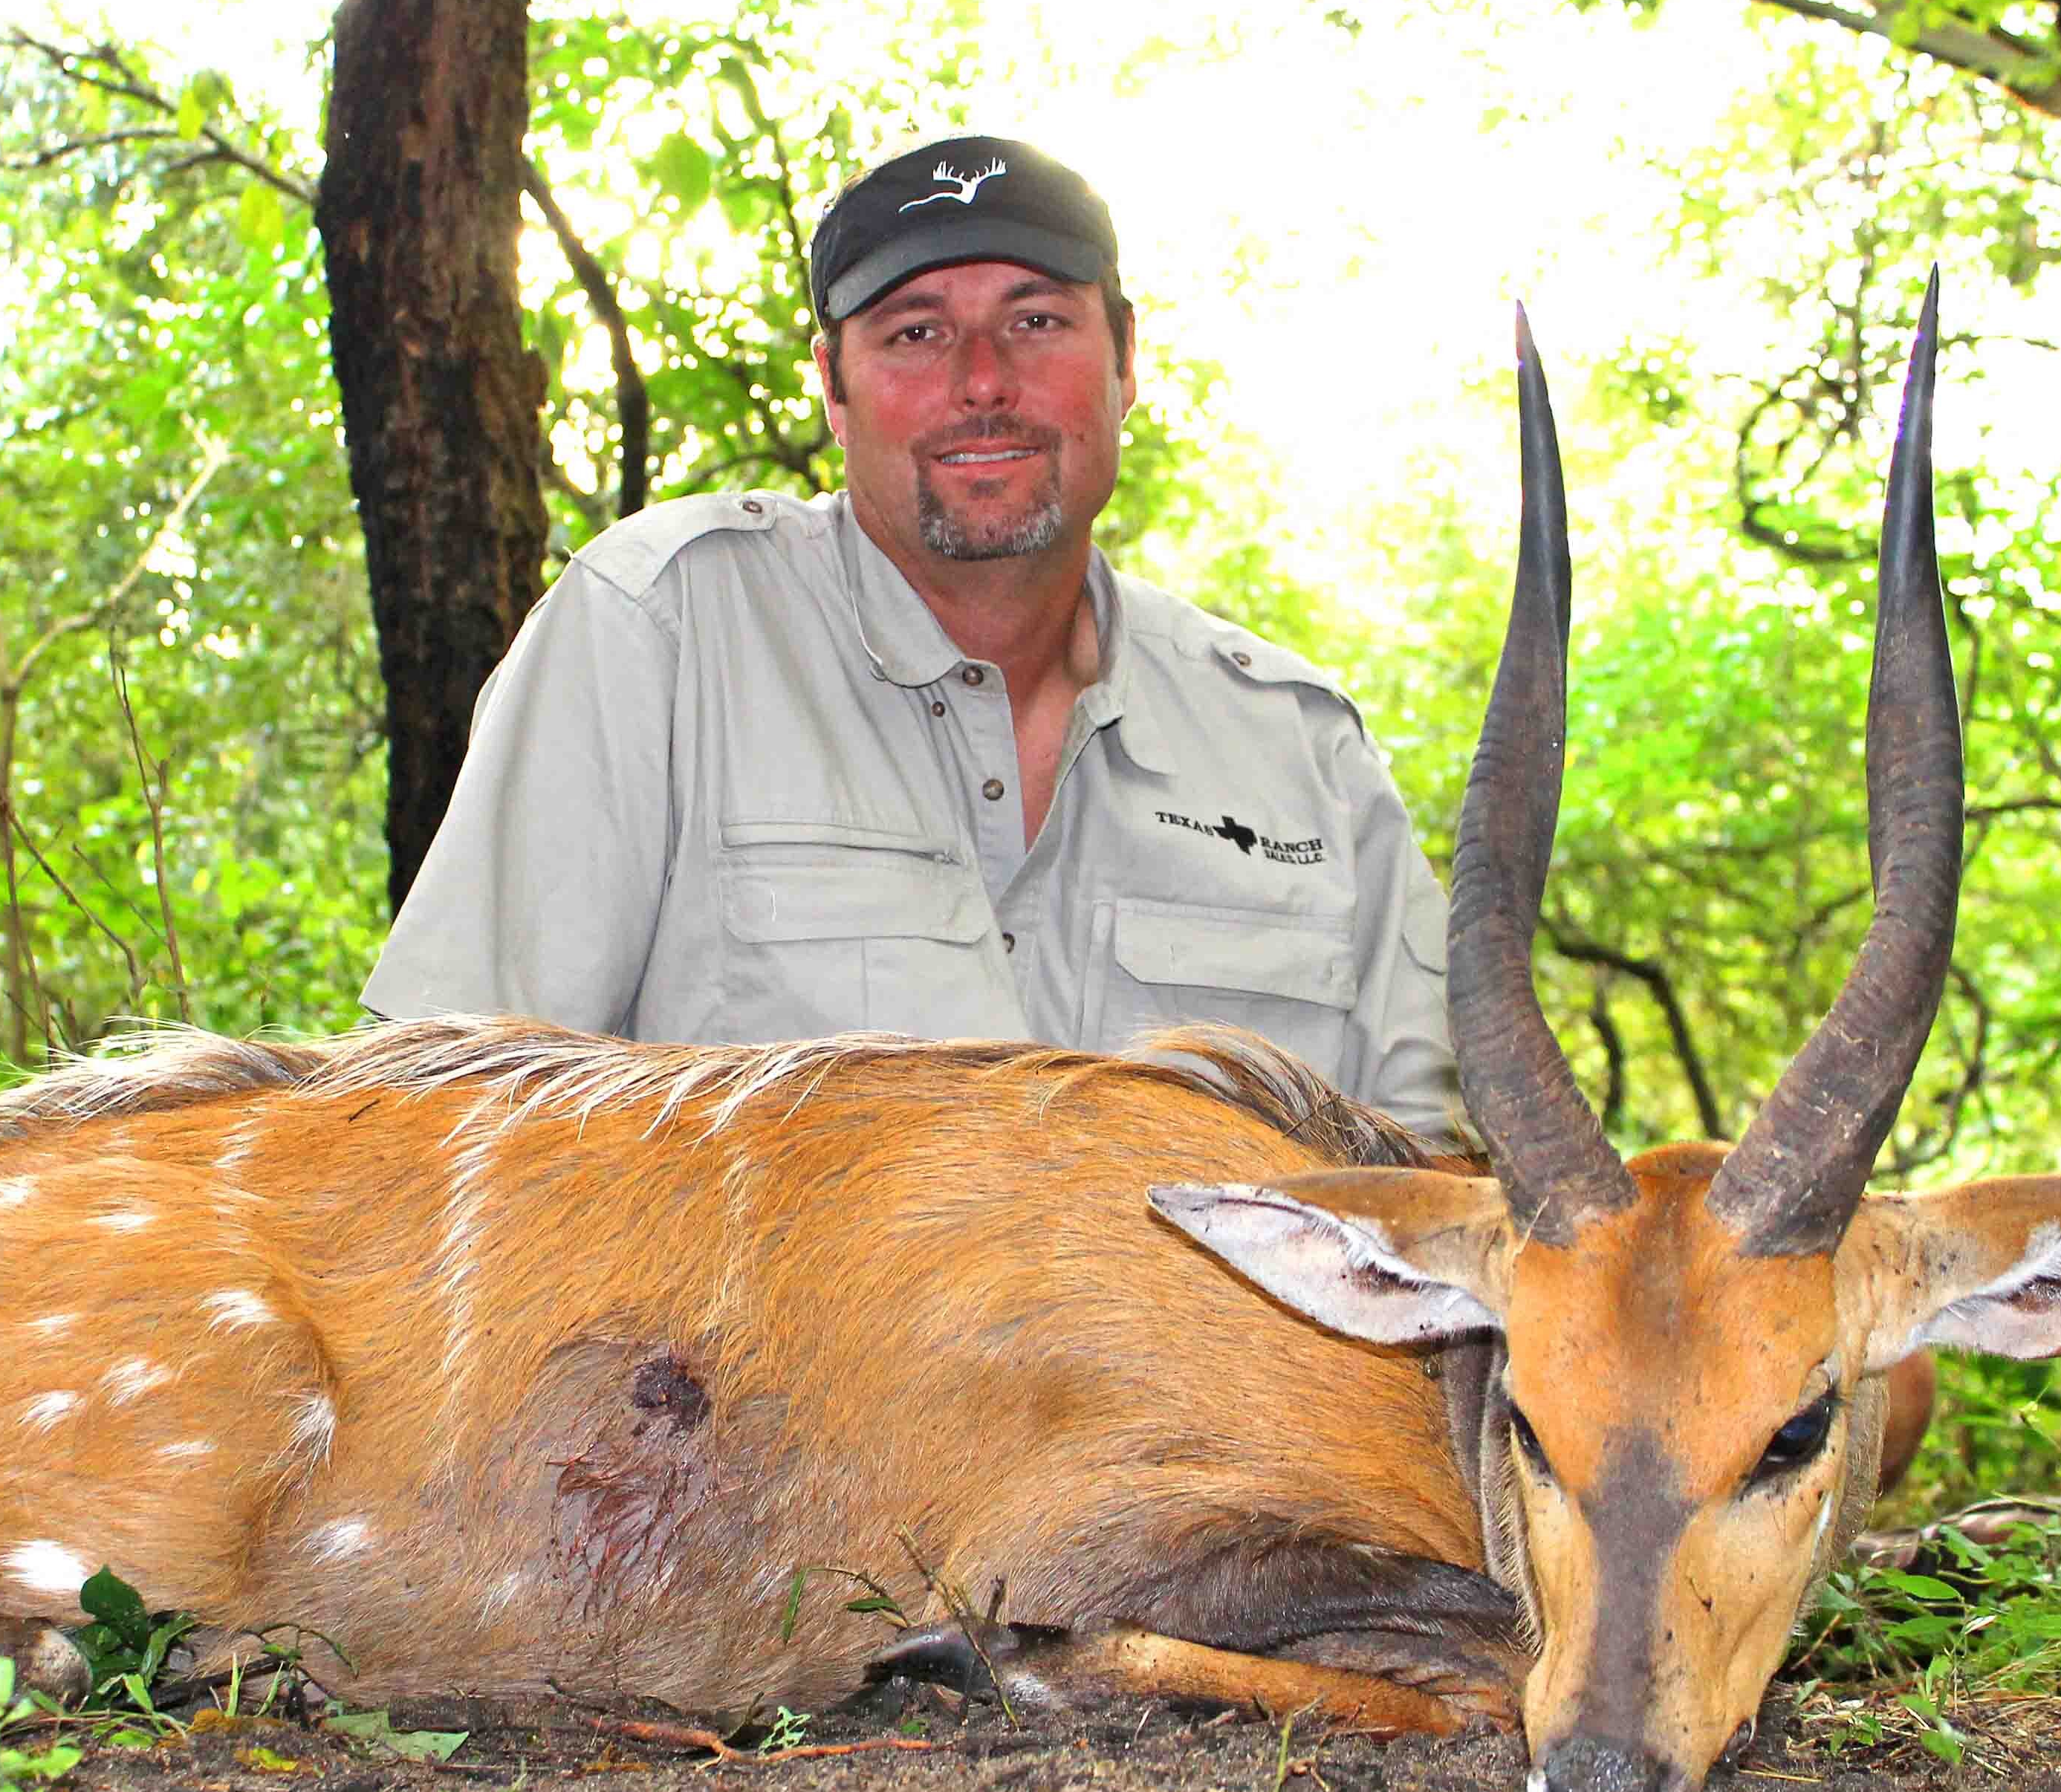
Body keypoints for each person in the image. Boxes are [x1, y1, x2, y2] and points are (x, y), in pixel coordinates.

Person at [362, 134, 1466, 1143]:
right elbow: (442, 1124)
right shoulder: (663, 632)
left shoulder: (1296, 751)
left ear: (1127, 359)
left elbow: (1443, 1199)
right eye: (916, 333)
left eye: (1036, 321)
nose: (982, 382)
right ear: (834, 392)